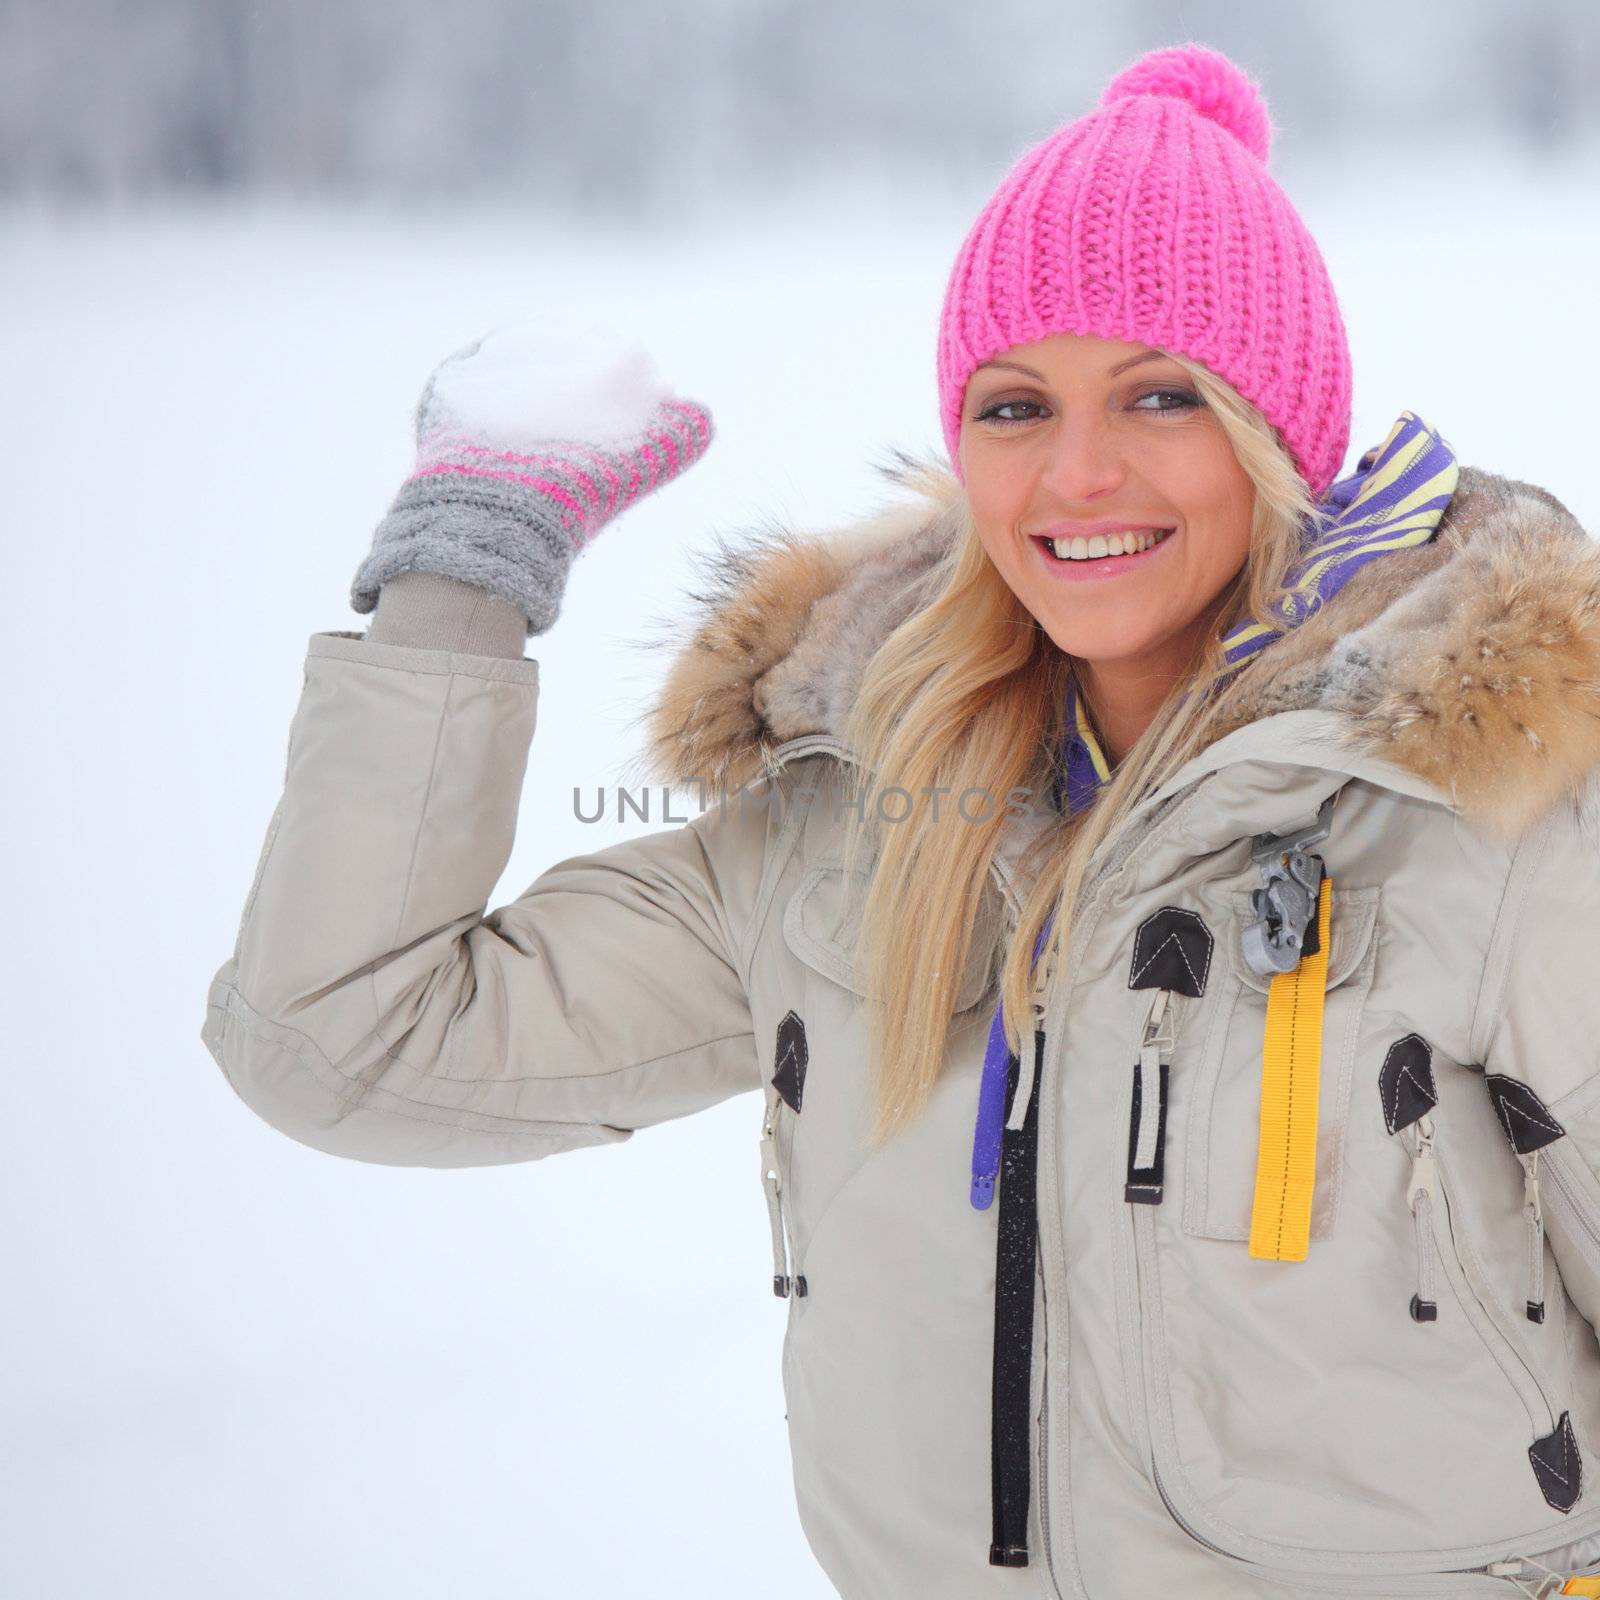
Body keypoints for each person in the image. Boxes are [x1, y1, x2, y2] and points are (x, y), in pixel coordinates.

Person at [200, 41, 1600, 1600]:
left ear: (1276, 435)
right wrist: (464, 578)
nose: (1078, 473)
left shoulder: (1496, 811)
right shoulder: (852, 823)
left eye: (1160, 393)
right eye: (1014, 406)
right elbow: (343, 1040)